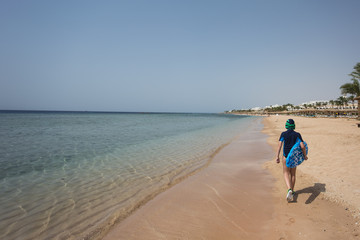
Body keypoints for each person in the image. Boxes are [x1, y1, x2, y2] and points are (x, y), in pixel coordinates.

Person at [276, 119, 308, 202]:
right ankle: (292, 191)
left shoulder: (283, 134)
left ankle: (289, 189)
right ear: (294, 125)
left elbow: (279, 146)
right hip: (294, 157)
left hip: (286, 156)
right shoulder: (297, 134)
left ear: (286, 125)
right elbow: (302, 146)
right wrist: (305, 156)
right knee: (293, 174)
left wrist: (277, 156)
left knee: (286, 172)